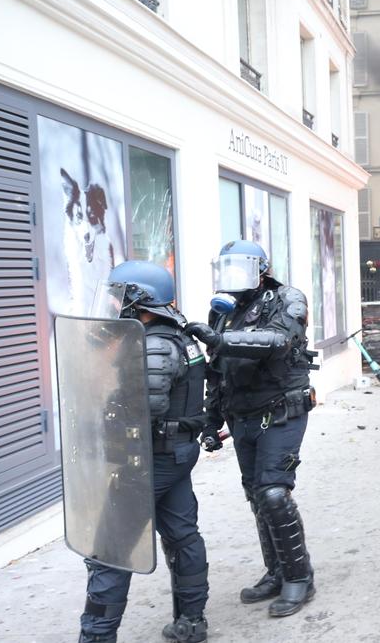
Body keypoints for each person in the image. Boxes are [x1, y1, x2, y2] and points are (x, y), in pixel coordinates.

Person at [184, 240, 318, 618]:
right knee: (257, 495)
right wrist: (210, 421)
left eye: (239, 267)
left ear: (261, 269)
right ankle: (276, 571)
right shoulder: (224, 313)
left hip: (282, 410)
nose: (232, 277)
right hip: (241, 414)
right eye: (225, 268)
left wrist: (221, 340)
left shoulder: (287, 298)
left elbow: (279, 341)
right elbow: (216, 372)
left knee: (274, 492)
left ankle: (299, 577)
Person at [79, 261, 210, 643]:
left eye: (121, 295)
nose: (114, 302)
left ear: (142, 301)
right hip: (174, 455)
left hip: (152, 459)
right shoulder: (175, 336)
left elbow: (143, 407)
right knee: (183, 534)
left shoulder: (154, 344)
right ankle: (192, 621)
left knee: (110, 548)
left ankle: (96, 636)